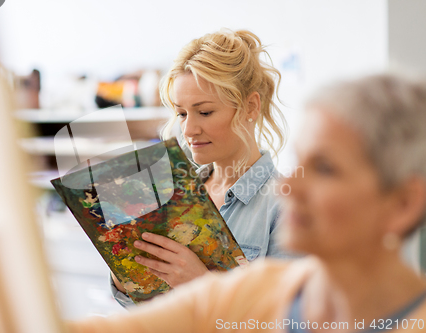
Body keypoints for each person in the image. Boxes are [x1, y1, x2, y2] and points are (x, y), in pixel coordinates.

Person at [72, 74, 426, 332]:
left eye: (326, 169)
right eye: (300, 163)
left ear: (403, 204)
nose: (291, 185)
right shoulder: (259, 288)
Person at [109, 28, 290, 307]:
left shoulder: (286, 208)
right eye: (181, 113)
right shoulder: (170, 191)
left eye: (204, 112)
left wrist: (203, 286)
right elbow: (148, 309)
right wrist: (126, 273)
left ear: (250, 107)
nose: (189, 129)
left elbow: (288, 321)